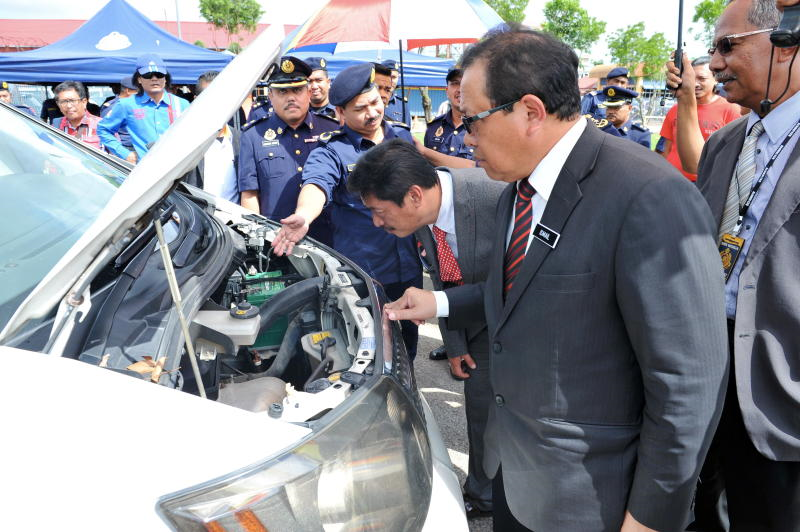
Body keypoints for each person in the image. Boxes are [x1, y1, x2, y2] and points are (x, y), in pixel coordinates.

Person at [384, 26, 728, 532]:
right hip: (517, 476)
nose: (466, 137)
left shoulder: (648, 195)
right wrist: (440, 304)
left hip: (594, 499)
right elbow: (522, 295)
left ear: (530, 111)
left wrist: (651, 516)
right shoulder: (517, 191)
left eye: (474, 120)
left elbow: (689, 382)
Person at [669, 0, 800, 529]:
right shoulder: (725, 143)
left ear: (787, 40)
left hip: (780, 398)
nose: (715, 63)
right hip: (705, 372)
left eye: (728, 45)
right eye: (712, 48)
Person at [347, 139, 503, 519]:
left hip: (527, 325)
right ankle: (483, 495)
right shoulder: (422, 215)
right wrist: (455, 343)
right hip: (475, 320)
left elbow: (523, 283)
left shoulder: (497, 196)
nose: (377, 223)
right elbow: (446, 277)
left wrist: (439, 303)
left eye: (379, 212)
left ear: (414, 195)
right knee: (481, 412)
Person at [272, 63, 422, 360]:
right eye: (360, 109)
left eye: (375, 102)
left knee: (408, 348)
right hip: (365, 275)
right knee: (371, 353)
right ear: (340, 113)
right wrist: (304, 215)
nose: (372, 113)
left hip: (408, 268)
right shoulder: (332, 151)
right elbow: (317, 184)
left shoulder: (403, 138)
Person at [238, 56, 339, 246]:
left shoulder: (331, 129)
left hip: (328, 239)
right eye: (282, 91)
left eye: (297, 90)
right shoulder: (253, 135)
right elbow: (250, 194)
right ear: (270, 96)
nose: (291, 97)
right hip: (277, 241)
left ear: (308, 92)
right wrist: (257, 241)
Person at [97, 53, 190, 164]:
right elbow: (103, 129)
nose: (154, 79)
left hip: (178, 166)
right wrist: (124, 153)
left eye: (159, 75)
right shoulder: (127, 104)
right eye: (148, 75)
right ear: (139, 79)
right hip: (143, 168)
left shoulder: (181, 104)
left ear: (165, 78)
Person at [659, 56, 740, 180]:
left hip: (705, 182)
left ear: (716, 79)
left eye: (702, 78)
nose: (695, 84)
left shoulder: (731, 110)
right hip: (673, 179)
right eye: (692, 79)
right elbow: (665, 148)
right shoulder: (676, 109)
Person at [182, 71, 240, 203]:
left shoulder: (240, 138)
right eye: (210, 97)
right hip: (198, 212)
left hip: (234, 214)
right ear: (197, 100)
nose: (217, 103)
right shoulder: (185, 141)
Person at [418, 67, 476, 169]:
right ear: (447, 91)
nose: (460, 89)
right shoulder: (433, 128)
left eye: (465, 83)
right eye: (455, 83)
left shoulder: (483, 128)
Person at [52, 81, 103, 150]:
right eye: (63, 102)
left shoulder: (102, 125)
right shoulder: (55, 127)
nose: (69, 106)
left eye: (72, 101)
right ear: (58, 105)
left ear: (84, 102)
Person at [99, 76, 137, 153]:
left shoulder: (137, 105)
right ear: (128, 91)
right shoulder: (112, 107)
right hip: (125, 149)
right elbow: (106, 132)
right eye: (138, 91)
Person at [381, 59, 411, 125]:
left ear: (398, 78)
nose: (391, 81)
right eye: (387, 76)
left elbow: (406, 129)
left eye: (394, 77)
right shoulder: (372, 101)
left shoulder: (402, 104)